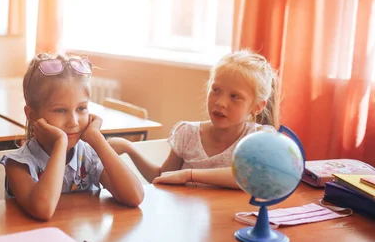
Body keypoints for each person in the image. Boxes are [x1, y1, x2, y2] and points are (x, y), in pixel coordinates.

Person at [0, 53, 145, 220]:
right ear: (31, 114)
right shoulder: (18, 164)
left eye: (81, 108)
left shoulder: (88, 156)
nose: (73, 122)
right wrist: (61, 143)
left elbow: (135, 196)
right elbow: (43, 209)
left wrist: (97, 139)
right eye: (60, 110)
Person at [109, 50, 280, 189]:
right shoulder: (188, 134)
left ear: (257, 106)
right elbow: (162, 178)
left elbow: (250, 177)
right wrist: (129, 148)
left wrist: (190, 175)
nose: (220, 102)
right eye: (216, 90)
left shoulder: (260, 138)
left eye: (234, 96)